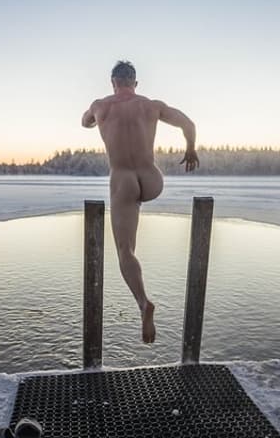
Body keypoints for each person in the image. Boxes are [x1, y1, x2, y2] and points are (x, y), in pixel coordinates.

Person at [81, 60, 199, 343]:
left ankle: (143, 303)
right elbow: (188, 124)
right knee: (136, 206)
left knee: (125, 250)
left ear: (113, 82)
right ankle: (138, 202)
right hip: (152, 180)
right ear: (135, 83)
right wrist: (191, 149)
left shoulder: (101, 105)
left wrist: (96, 114)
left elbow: (84, 122)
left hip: (123, 182)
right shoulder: (151, 105)